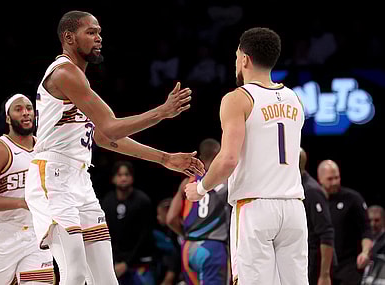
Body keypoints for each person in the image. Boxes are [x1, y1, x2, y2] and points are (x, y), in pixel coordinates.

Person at [25, 10, 205, 285]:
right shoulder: (64, 73)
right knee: (73, 274)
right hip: (52, 177)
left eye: (99, 32)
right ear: (69, 38)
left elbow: (105, 138)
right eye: (91, 32)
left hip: (79, 179)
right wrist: (162, 112)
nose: (99, 38)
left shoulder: (79, 81)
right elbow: (110, 126)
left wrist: (164, 158)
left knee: (106, 278)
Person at [185, 27, 308, 285]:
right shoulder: (295, 98)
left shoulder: (237, 98)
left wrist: (201, 188)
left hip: (256, 206)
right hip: (294, 206)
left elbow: (228, 159)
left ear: (244, 59)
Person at [0, 94, 54, 284]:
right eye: (18, 109)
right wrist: (22, 203)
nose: (25, 113)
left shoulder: (46, 147)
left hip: (36, 234)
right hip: (3, 235)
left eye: (29, 108)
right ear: (8, 118)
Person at [167, 138, 230, 285]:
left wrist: (187, 235)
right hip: (213, 248)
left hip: (189, 248)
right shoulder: (227, 180)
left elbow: (170, 219)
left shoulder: (187, 182)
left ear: (200, 158)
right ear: (218, 154)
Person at [317, 160, 373, 285]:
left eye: (337, 177)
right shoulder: (314, 200)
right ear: (320, 179)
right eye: (330, 179)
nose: (335, 182)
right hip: (321, 266)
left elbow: (366, 230)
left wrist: (365, 252)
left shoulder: (353, 199)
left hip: (349, 267)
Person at [101, 161, 155, 285]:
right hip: (115, 264)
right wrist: (114, 261)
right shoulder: (107, 202)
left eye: (127, 174)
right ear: (113, 178)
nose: (123, 178)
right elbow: (106, 234)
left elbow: (145, 235)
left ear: (132, 178)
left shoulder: (143, 201)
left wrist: (127, 263)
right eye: (119, 175)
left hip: (139, 263)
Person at [300, 149, 334, 285]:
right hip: (304, 260)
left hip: (315, 265)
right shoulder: (295, 187)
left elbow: (326, 233)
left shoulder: (311, 191)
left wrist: (324, 275)